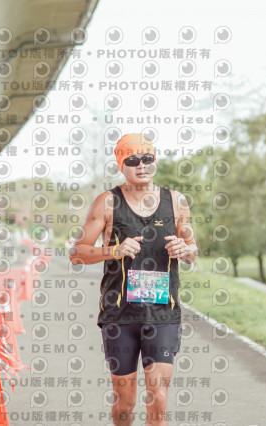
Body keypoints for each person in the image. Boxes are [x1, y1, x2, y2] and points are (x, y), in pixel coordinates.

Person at [69, 133, 198, 426]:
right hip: (120, 315)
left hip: (163, 312)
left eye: (147, 158)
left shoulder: (176, 201)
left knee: (158, 397)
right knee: (124, 404)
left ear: (155, 161)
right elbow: (77, 253)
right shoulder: (107, 203)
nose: (141, 165)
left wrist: (186, 250)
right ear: (121, 165)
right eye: (133, 160)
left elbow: (192, 249)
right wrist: (114, 250)